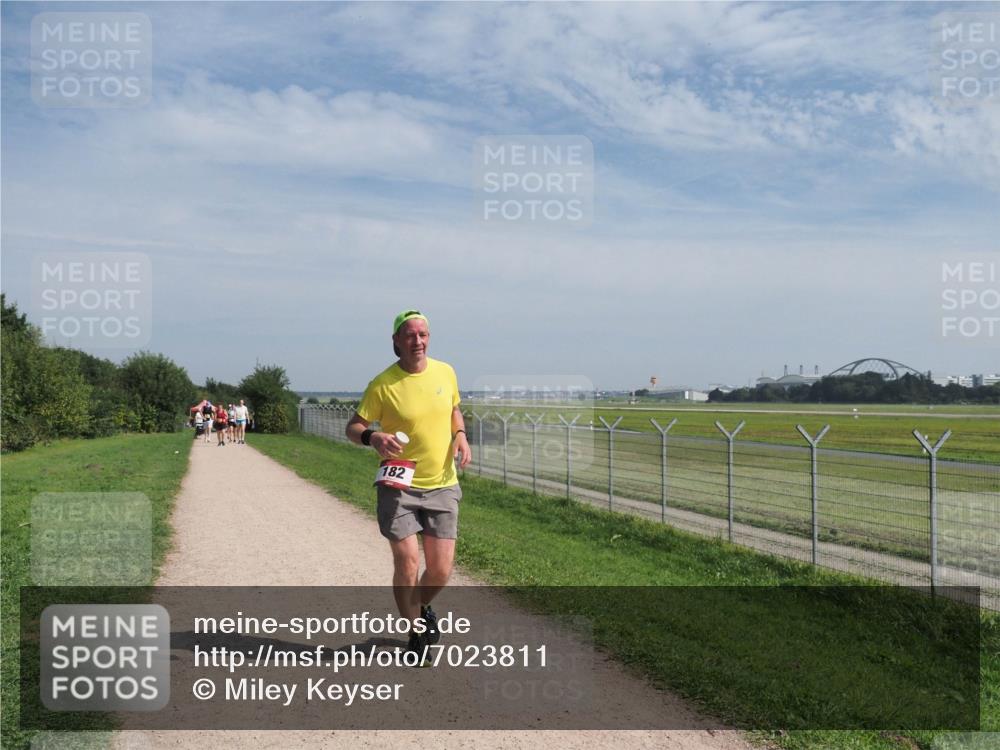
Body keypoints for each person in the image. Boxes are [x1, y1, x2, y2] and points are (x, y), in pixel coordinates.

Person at [346, 310, 471, 659]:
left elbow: (453, 409)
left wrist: (460, 434)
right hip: (398, 485)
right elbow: (353, 427)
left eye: (423, 334)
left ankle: (419, 607)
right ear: (396, 341)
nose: (418, 341)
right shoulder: (383, 384)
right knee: (407, 562)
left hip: (442, 483)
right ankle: (416, 632)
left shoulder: (446, 372)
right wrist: (373, 437)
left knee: (441, 569)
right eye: (410, 335)